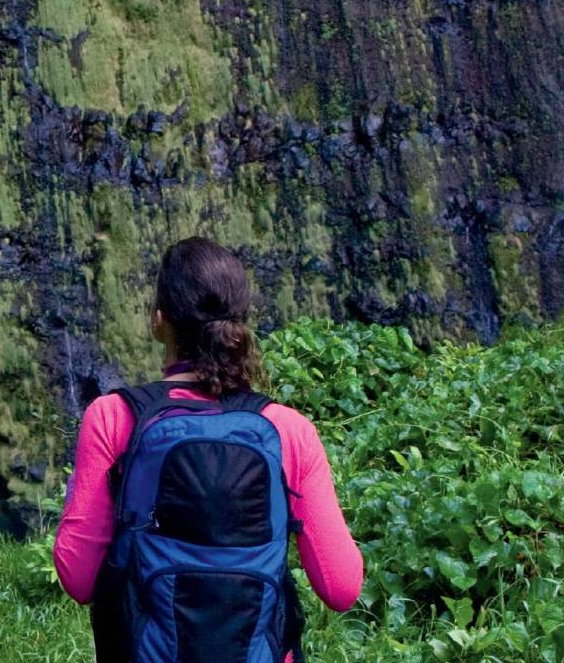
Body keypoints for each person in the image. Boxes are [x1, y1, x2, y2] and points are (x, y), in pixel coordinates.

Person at [53, 237, 364, 662]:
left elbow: (78, 578)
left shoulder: (112, 418)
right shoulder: (288, 431)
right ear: (240, 323)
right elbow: (342, 588)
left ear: (159, 320)